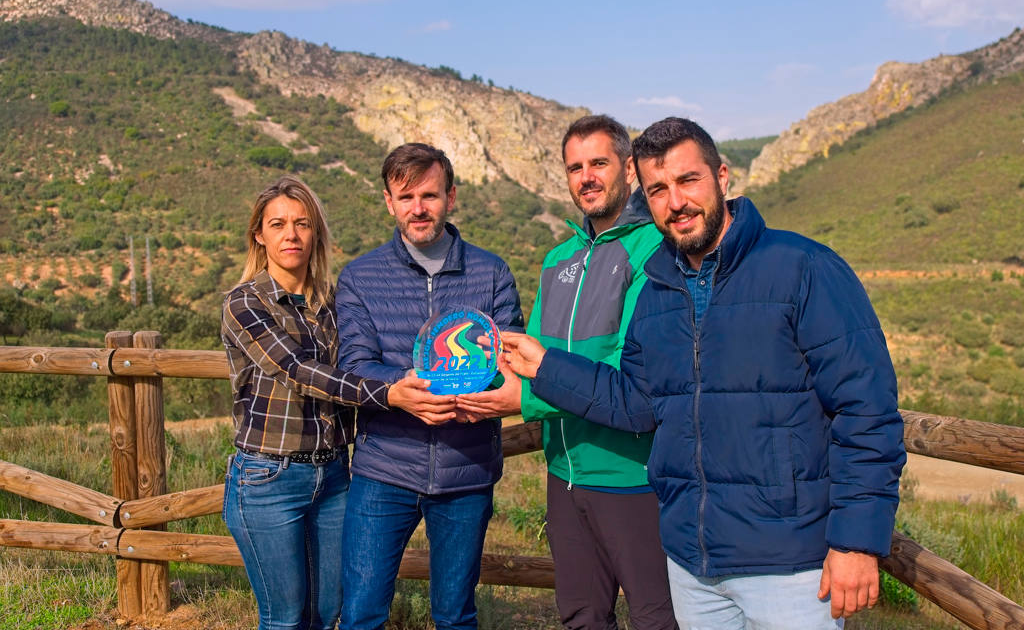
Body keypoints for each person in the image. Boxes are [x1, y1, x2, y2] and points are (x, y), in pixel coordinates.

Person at [497, 117, 906, 629]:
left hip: (789, 564)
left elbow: (866, 410)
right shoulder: (658, 291)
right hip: (693, 567)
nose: (676, 202)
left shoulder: (802, 267)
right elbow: (636, 402)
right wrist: (547, 366)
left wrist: (855, 542)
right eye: (658, 190)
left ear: (722, 176)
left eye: (688, 180)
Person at [457, 115, 677, 629]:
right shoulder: (558, 259)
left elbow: (629, 374)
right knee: (580, 617)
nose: (586, 177)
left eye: (598, 163)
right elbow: (531, 363)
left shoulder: (655, 250)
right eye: (575, 168)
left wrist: (523, 401)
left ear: (628, 168)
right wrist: (465, 379)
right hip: (564, 477)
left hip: (633, 477)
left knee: (657, 618)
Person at [221, 175, 441, 630]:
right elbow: (298, 371)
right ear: (259, 235)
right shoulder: (244, 303)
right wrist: (390, 393)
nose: (291, 235)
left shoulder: (333, 301)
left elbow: (366, 357)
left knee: (325, 614)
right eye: (278, 224)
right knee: (284, 619)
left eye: (302, 224)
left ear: (316, 232)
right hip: (270, 475)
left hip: (335, 475)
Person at [335, 143, 524, 630]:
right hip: (384, 470)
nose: (418, 208)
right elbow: (354, 365)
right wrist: (401, 390)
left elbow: (510, 362)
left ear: (451, 197)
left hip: (467, 473)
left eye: (430, 195)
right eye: (406, 197)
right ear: (389, 202)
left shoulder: (492, 273)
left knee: (456, 616)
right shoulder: (359, 277)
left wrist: (472, 399)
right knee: (360, 615)